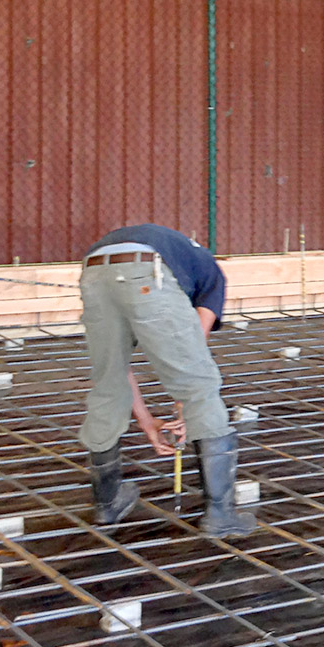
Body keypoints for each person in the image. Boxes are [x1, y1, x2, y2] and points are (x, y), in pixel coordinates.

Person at [79, 223, 255, 538]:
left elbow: (120, 371)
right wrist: (184, 411)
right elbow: (192, 356)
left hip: (94, 270)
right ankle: (220, 514)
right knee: (200, 387)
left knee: (107, 382)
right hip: (147, 270)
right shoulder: (213, 280)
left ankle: (107, 503)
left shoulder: (184, 258)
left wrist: (147, 420)